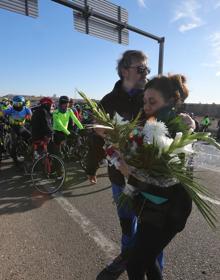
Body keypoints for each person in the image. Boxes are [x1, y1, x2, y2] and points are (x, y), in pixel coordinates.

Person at [85, 50, 165, 273]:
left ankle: (156, 269)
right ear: (124, 71)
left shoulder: (152, 96)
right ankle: (126, 256)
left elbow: (170, 123)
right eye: (141, 69)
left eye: (147, 69)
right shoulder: (108, 101)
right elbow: (96, 138)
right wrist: (91, 168)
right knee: (128, 225)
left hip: (150, 179)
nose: (145, 73)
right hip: (120, 178)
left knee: (153, 233)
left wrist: (187, 123)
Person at [117, 74, 192, 280]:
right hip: (151, 207)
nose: (147, 106)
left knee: (134, 264)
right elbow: (144, 163)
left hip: (168, 211)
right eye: (145, 101)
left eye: (152, 101)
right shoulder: (152, 122)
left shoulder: (177, 128)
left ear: (170, 101)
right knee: (148, 260)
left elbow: (168, 180)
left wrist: (129, 171)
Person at [2, 95, 32, 165]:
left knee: (31, 138)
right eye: (16, 103)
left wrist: (30, 119)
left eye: (19, 103)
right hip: (13, 127)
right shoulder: (11, 109)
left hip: (22, 127)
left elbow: (31, 116)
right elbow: (3, 113)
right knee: (14, 143)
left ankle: (29, 154)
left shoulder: (26, 109)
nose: (17, 105)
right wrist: (4, 119)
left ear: (23, 103)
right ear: (13, 103)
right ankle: (15, 159)